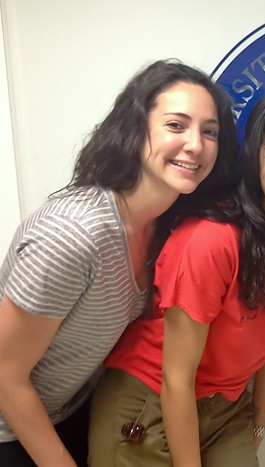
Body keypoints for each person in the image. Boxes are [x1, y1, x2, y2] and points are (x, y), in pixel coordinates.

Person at [0, 59, 239, 467]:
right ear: (136, 128)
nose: (196, 144)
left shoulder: (167, 226)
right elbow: (5, 375)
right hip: (11, 426)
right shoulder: (74, 234)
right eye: (176, 125)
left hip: (74, 410)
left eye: (209, 131)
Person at [89, 91, 265, 467]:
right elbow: (176, 378)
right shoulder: (212, 238)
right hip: (150, 400)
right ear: (255, 161)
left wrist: (258, 425)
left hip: (225, 408)